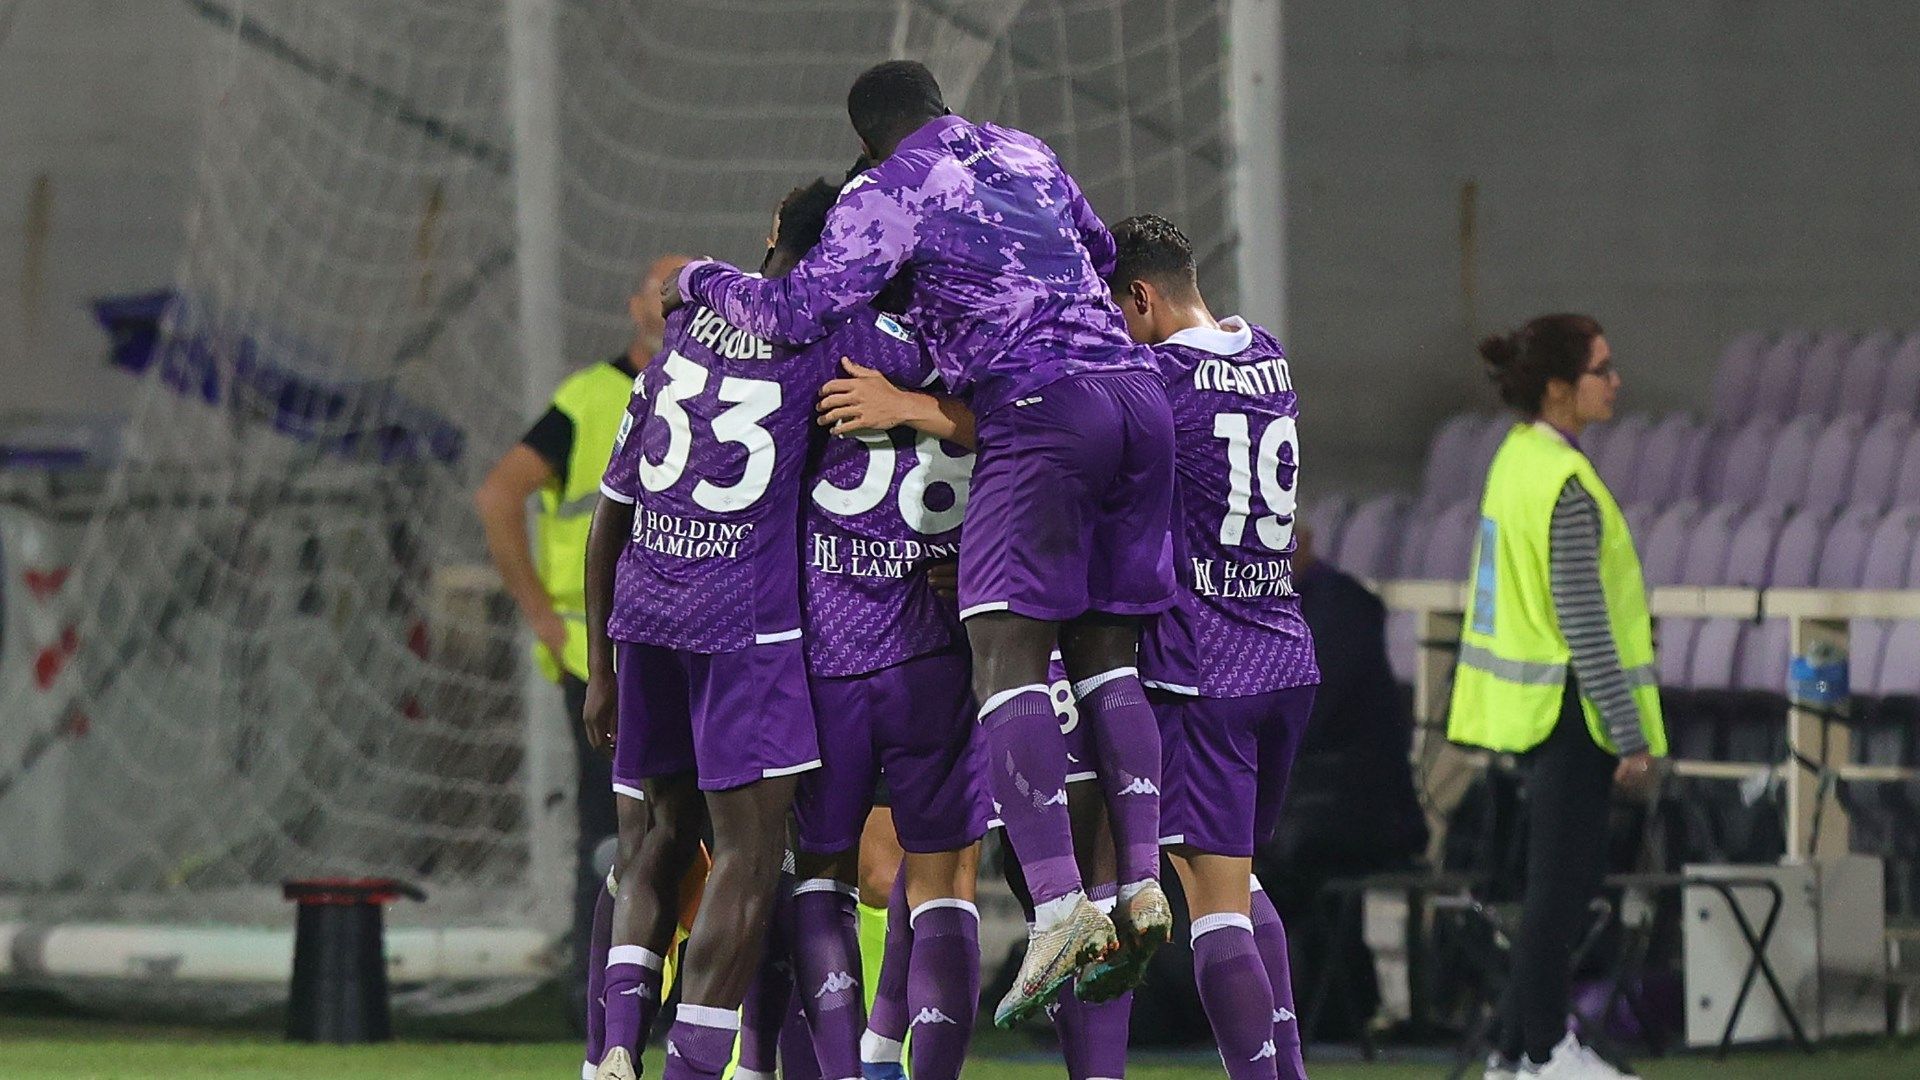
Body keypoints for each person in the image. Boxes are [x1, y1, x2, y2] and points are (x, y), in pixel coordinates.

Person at [666, 59, 1177, 1027]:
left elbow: (790, 310)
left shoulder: (888, 189)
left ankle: (1063, 908)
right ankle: (1136, 887)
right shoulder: (1029, 150)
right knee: (1108, 658)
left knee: (1008, 660)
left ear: (867, 140)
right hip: (1135, 400)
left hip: (1033, 416)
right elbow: (1103, 253)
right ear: (941, 107)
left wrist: (694, 277)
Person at [581, 180, 899, 1080]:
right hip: (743, 632)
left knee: (652, 842)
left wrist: (601, 665)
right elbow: (948, 364)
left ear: (771, 235)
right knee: (756, 859)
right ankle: (692, 1069)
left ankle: (612, 1051)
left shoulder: (680, 336)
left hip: (645, 615)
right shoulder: (838, 342)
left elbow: (612, 510)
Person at [1106, 215, 1319, 1080]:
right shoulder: (1263, 352)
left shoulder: (1157, 380)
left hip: (1208, 668)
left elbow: (1063, 436)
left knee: (1212, 901)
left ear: (1142, 298)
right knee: (1239, 878)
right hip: (1283, 653)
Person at [471, 252, 689, 1047]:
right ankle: (596, 1002)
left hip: (689, 639)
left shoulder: (720, 388)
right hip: (601, 650)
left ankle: (671, 999)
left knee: (687, 826)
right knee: (614, 829)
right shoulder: (591, 397)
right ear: (636, 303)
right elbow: (499, 495)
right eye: (660, 285)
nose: (672, 299)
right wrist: (543, 616)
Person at [1448, 314, 1665, 1080]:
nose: (1617, 382)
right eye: (1602, 370)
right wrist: (1629, 732)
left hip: (1532, 708)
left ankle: (1512, 1055)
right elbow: (1584, 620)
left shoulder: (1517, 459)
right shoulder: (1567, 482)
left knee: (1549, 890)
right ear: (1560, 389)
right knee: (1559, 895)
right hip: (1571, 709)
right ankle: (1547, 1049)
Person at [1259, 525, 1429, 1040]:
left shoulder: (1341, 609)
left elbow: (1309, 712)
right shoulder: (1281, 605)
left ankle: (1309, 1003)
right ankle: (1324, 1002)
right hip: (1317, 801)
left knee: (1263, 854)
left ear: (1303, 541)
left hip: (1362, 806)